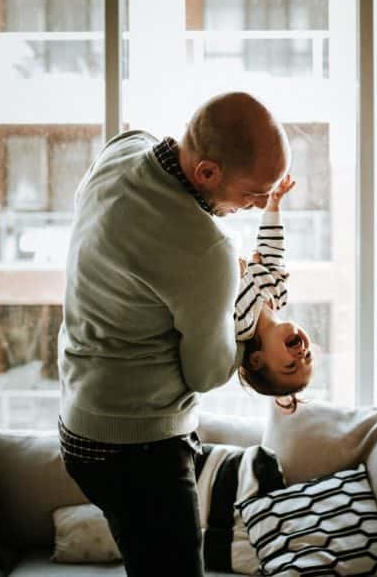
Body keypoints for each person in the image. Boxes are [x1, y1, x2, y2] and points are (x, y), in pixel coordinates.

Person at [57, 91, 290, 576]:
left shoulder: (122, 151)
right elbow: (205, 373)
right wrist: (249, 324)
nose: (259, 205)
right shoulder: (205, 251)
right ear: (207, 173)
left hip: (79, 426)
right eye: (254, 194)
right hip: (137, 447)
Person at [234, 174, 314, 412]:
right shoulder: (277, 296)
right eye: (308, 357)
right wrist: (274, 204)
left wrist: (241, 271)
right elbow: (272, 249)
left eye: (290, 365)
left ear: (257, 360)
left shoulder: (240, 323)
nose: (301, 353)